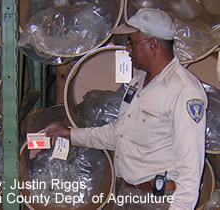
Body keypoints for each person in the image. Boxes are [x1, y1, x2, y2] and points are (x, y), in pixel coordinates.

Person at [45, 8, 207, 210]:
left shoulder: (184, 91)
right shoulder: (138, 82)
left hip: (158, 201)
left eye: (131, 42)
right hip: (127, 194)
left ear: (153, 44)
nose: (127, 49)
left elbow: (191, 168)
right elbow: (117, 133)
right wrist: (69, 133)